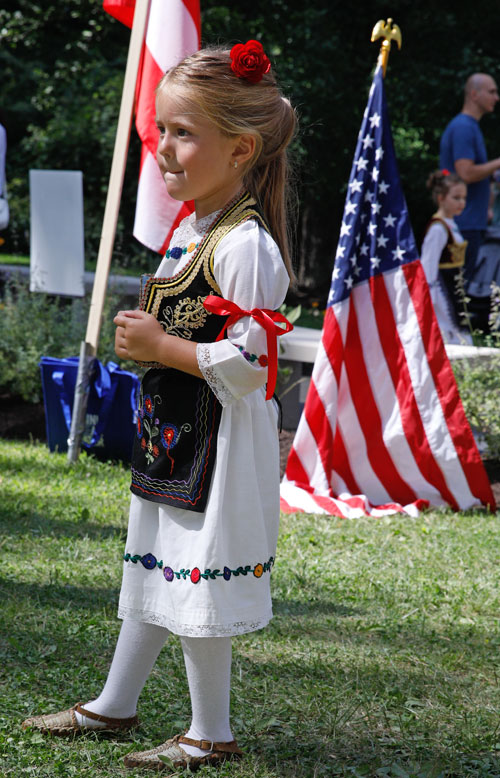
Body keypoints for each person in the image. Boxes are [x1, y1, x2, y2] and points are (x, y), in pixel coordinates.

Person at [22, 40, 297, 772]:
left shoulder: (247, 248)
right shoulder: (193, 229)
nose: (165, 149)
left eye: (182, 133)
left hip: (218, 449)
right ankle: (116, 702)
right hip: (174, 441)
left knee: (195, 575)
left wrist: (161, 347)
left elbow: (251, 367)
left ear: (241, 149)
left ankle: (212, 730)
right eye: (161, 130)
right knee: (155, 569)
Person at [440, 73, 500, 329]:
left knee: (458, 291)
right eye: (492, 91)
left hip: (471, 221)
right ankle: (453, 343)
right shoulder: (464, 127)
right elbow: (465, 172)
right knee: (456, 293)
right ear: (474, 94)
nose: (496, 98)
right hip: (463, 224)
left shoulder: (469, 127)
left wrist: (487, 205)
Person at [421, 170, 472, 344]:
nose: (461, 203)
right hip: (442, 289)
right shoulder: (438, 229)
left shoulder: (451, 225)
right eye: (456, 198)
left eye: (463, 198)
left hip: (454, 286)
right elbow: (428, 264)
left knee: (460, 325)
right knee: (448, 329)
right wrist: (429, 297)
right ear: (441, 198)